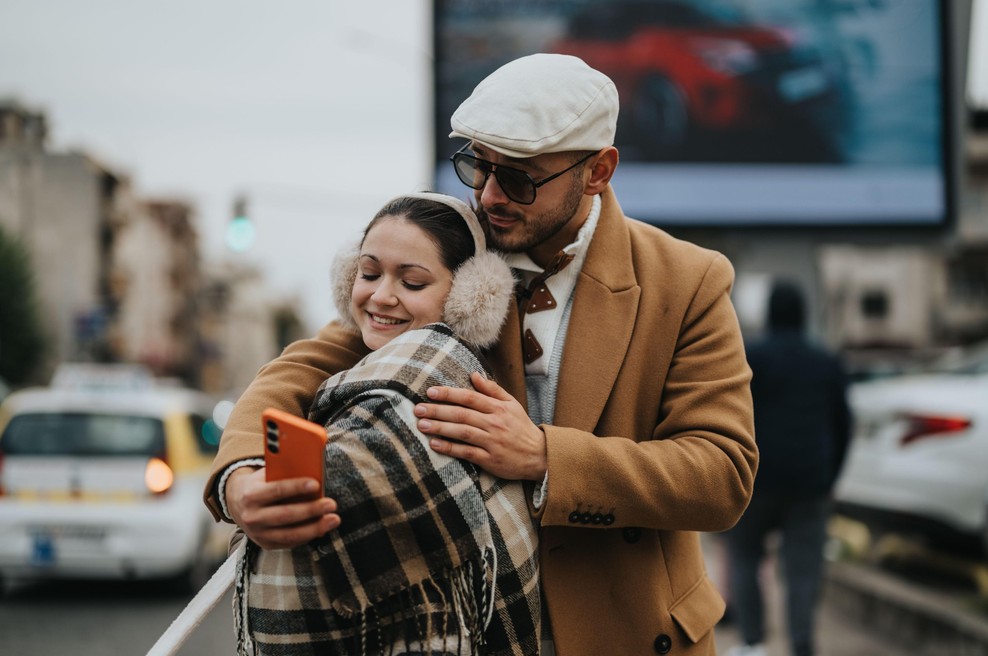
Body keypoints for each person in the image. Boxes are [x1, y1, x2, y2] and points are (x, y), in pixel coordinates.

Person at [207, 53, 757, 655]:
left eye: (520, 178)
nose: (490, 196)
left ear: (598, 170)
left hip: (628, 632)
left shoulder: (688, 280)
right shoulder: (454, 251)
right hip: (476, 631)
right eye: (477, 165)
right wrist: (240, 478)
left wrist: (545, 457)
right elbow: (300, 370)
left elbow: (722, 473)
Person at [231, 192, 541, 655]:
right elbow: (290, 370)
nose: (380, 296)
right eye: (369, 273)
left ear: (469, 299)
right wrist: (238, 479)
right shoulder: (373, 348)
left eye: (412, 282)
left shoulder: (423, 393)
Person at [723, 279, 851, 656]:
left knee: (745, 559)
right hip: (810, 483)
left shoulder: (752, 357)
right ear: (803, 313)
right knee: (803, 570)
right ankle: (801, 645)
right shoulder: (825, 361)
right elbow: (844, 425)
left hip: (755, 483)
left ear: (769, 314)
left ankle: (752, 643)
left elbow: (733, 415)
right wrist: (831, 476)